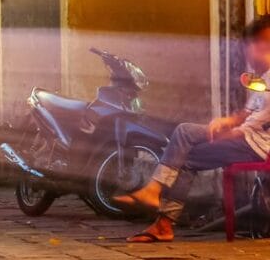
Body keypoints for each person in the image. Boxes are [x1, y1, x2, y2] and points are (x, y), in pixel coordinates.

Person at [115, 14, 270, 241]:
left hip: (256, 144)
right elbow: (248, 113)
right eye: (253, 44)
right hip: (246, 138)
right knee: (186, 157)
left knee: (185, 132)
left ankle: (154, 193)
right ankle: (163, 223)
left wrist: (233, 131)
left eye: (260, 44)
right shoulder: (262, 79)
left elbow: (261, 119)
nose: (253, 51)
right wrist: (227, 123)